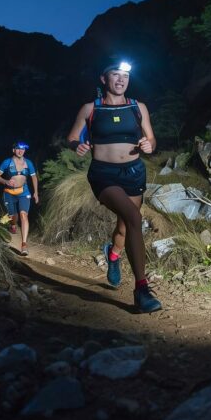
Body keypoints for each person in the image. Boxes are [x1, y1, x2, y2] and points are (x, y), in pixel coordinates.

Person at [65, 61, 162, 313]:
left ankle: (113, 254)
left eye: (126, 75)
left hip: (133, 172)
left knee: (124, 226)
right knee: (133, 216)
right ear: (103, 78)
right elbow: (72, 137)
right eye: (115, 74)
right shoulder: (91, 109)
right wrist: (78, 146)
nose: (121, 79)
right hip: (103, 174)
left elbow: (150, 137)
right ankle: (141, 289)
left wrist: (150, 145)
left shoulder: (137, 107)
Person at [0, 141, 39, 256]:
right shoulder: (7, 162)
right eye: (18, 149)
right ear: (13, 150)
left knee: (24, 215)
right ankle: (13, 224)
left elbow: (34, 178)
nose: (20, 151)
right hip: (9, 193)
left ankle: (24, 244)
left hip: (24, 192)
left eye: (23, 149)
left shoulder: (28, 163)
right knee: (13, 216)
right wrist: (5, 181)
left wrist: (36, 193)